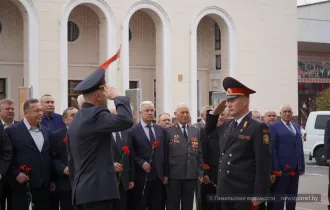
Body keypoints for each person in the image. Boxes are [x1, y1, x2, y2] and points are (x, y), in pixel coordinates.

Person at [66, 68, 134, 210]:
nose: (106, 98)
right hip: (98, 192)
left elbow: (71, 160)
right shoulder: (96, 113)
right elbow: (126, 120)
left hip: (82, 191)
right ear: (98, 95)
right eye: (105, 94)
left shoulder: (78, 117)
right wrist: (118, 97)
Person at [206, 77, 272, 210]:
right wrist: (214, 112)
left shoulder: (257, 126)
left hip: (244, 192)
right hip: (225, 190)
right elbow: (208, 131)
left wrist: (259, 194)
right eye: (228, 101)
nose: (228, 104)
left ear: (245, 101)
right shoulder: (228, 124)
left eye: (233, 100)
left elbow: (263, 163)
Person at [6, 99, 52, 210]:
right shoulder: (12, 131)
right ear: (26, 113)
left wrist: (52, 179)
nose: (41, 113)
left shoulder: (46, 131)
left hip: (44, 185)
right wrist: (16, 173)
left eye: (41, 110)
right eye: (37, 111)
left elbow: (48, 155)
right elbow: (7, 156)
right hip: (22, 184)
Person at [130, 101, 168, 210]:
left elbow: (164, 152)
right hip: (142, 177)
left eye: (152, 110)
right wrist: (141, 163)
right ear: (140, 112)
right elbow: (132, 153)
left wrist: (165, 174)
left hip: (158, 177)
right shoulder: (133, 131)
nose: (150, 113)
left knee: (157, 205)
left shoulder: (160, 130)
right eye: (147, 110)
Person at [166, 103, 203, 210]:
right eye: (182, 112)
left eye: (187, 112)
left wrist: (200, 172)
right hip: (174, 175)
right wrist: (165, 174)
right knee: (173, 205)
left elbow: (199, 153)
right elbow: (165, 153)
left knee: (188, 205)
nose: (185, 115)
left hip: (190, 174)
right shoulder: (168, 130)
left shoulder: (194, 130)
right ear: (175, 114)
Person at [268, 104, 305, 210]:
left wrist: (301, 166)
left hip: (295, 169)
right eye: (285, 111)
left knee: (292, 198)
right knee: (279, 199)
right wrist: (275, 168)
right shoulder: (274, 127)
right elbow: (272, 149)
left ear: (292, 114)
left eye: (289, 111)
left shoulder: (296, 126)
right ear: (280, 114)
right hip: (281, 169)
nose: (287, 113)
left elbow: (299, 147)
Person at [51, 107, 78, 210]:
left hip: (84, 182)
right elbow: (53, 157)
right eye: (72, 115)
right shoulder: (56, 135)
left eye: (77, 115)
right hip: (65, 182)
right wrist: (63, 168)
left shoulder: (86, 133)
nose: (76, 118)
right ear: (64, 119)